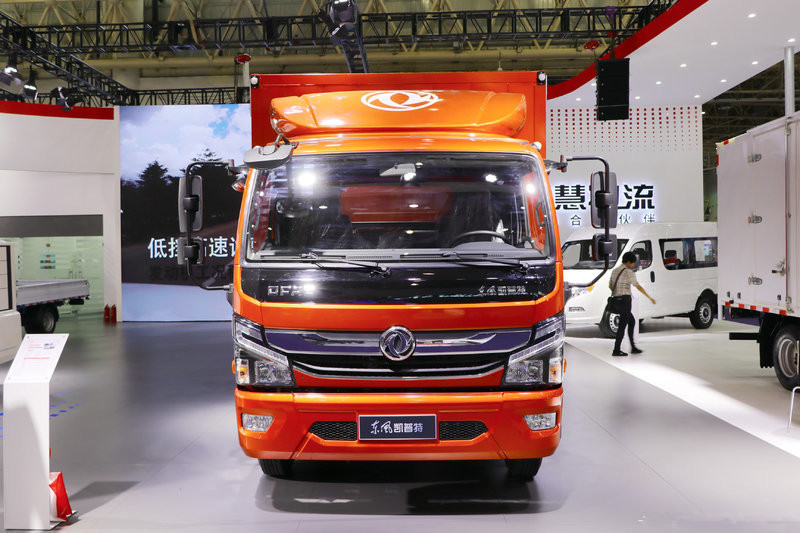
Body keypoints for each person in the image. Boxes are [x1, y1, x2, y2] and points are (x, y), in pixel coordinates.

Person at [609, 251, 656, 356]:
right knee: (622, 325)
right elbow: (637, 285)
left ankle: (633, 347)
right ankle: (616, 350)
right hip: (625, 300)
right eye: (633, 263)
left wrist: (618, 292)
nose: (633, 265)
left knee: (631, 321)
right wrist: (649, 297)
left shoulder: (615, 270)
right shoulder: (628, 272)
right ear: (629, 262)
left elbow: (610, 286)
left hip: (616, 300)